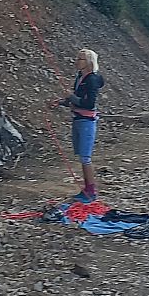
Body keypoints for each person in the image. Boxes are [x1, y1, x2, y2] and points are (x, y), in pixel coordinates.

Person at [51, 48, 105, 203]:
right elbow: (76, 99)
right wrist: (61, 102)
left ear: (88, 62)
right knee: (82, 157)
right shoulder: (80, 77)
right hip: (78, 119)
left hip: (87, 121)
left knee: (85, 157)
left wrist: (71, 98)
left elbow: (89, 103)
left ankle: (91, 191)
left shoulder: (92, 79)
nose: (76, 61)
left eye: (80, 59)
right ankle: (87, 189)